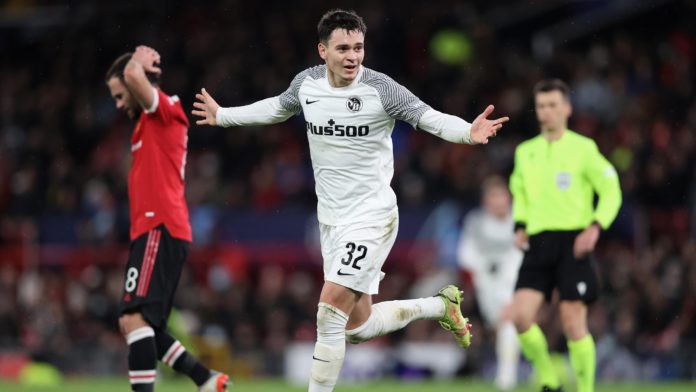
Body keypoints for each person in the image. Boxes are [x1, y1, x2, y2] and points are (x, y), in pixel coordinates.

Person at [193, 10, 508, 392]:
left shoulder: (381, 89)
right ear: (322, 50)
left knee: (328, 312)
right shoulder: (307, 84)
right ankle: (440, 306)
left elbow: (429, 117)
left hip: (372, 217)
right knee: (356, 328)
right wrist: (223, 116)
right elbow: (278, 107)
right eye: (343, 48)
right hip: (332, 221)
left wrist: (467, 132)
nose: (352, 56)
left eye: (358, 47)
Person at [105, 45, 229, 392]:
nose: (118, 104)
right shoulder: (146, 124)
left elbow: (132, 74)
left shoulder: (166, 109)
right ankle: (205, 379)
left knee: (134, 318)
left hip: (159, 227)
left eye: (119, 96)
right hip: (153, 229)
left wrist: (137, 64)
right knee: (141, 324)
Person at [508, 79, 622, 392]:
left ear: (567, 109)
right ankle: (549, 379)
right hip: (538, 241)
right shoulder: (525, 151)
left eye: (553, 105)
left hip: (574, 241)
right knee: (520, 317)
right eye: (542, 106)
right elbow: (519, 190)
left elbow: (611, 189)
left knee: (573, 323)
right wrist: (520, 224)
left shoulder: (583, 148)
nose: (546, 112)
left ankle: (585, 390)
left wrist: (597, 225)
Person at [457, 176, 522, 391]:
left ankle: (507, 377)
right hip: (486, 284)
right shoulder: (476, 222)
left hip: (513, 281)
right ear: (486, 201)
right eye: (493, 197)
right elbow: (465, 254)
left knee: (508, 322)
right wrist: (480, 274)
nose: (499, 202)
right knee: (499, 326)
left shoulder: (519, 220)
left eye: (501, 196)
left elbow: (523, 253)